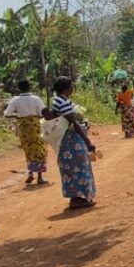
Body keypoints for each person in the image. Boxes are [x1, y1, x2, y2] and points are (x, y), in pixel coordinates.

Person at [45, 76, 98, 210]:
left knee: (73, 168)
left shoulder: (59, 100)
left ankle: (78, 197)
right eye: (71, 86)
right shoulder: (62, 102)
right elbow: (73, 123)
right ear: (67, 88)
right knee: (77, 167)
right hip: (71, 142)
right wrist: (88, 141)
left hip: (68, 141)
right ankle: (78, 199)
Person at [3, 80, 49, 186]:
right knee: (39, 148)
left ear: (19, 88)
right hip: (35, 126)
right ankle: (40, 177)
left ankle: (30, 173)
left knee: (27, 149)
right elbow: (43, 112)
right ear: (30, 87)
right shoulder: (36, 99)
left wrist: (17, 115)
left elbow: (7, 114)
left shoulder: (15, 100)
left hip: (23, 126)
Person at [115, 73, 134, 139]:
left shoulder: (120, 94)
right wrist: (132, 80)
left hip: (124, 109)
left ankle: (126, 133)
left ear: (122, 89)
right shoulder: (129, 92)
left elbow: (118, 103)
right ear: (126, 88)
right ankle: (131, 132)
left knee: (125, 121)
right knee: (131, 120)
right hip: (129, 108)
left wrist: (116, 110)